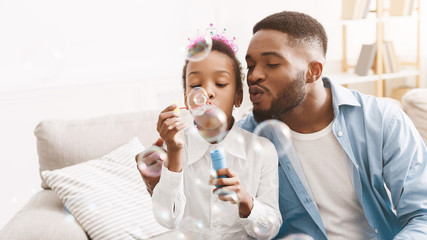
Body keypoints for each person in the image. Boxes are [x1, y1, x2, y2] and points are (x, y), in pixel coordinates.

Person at [138, 11, 427, 240]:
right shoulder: (246, 141)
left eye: (271, 65)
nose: (254, 76)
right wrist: (161, 182)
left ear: (313, 71)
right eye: (250, 66)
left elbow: (422, 215)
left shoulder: (382, 121)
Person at [145, 37, 282, 239]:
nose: (207, 92)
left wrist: (246, 201)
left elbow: (270, 228)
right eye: (195, 85)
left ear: (238, 96)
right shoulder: (173, 146)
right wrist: (173, 153)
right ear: (186, 99)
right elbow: (168, 220)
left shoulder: (262, 150)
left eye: (220, 83)